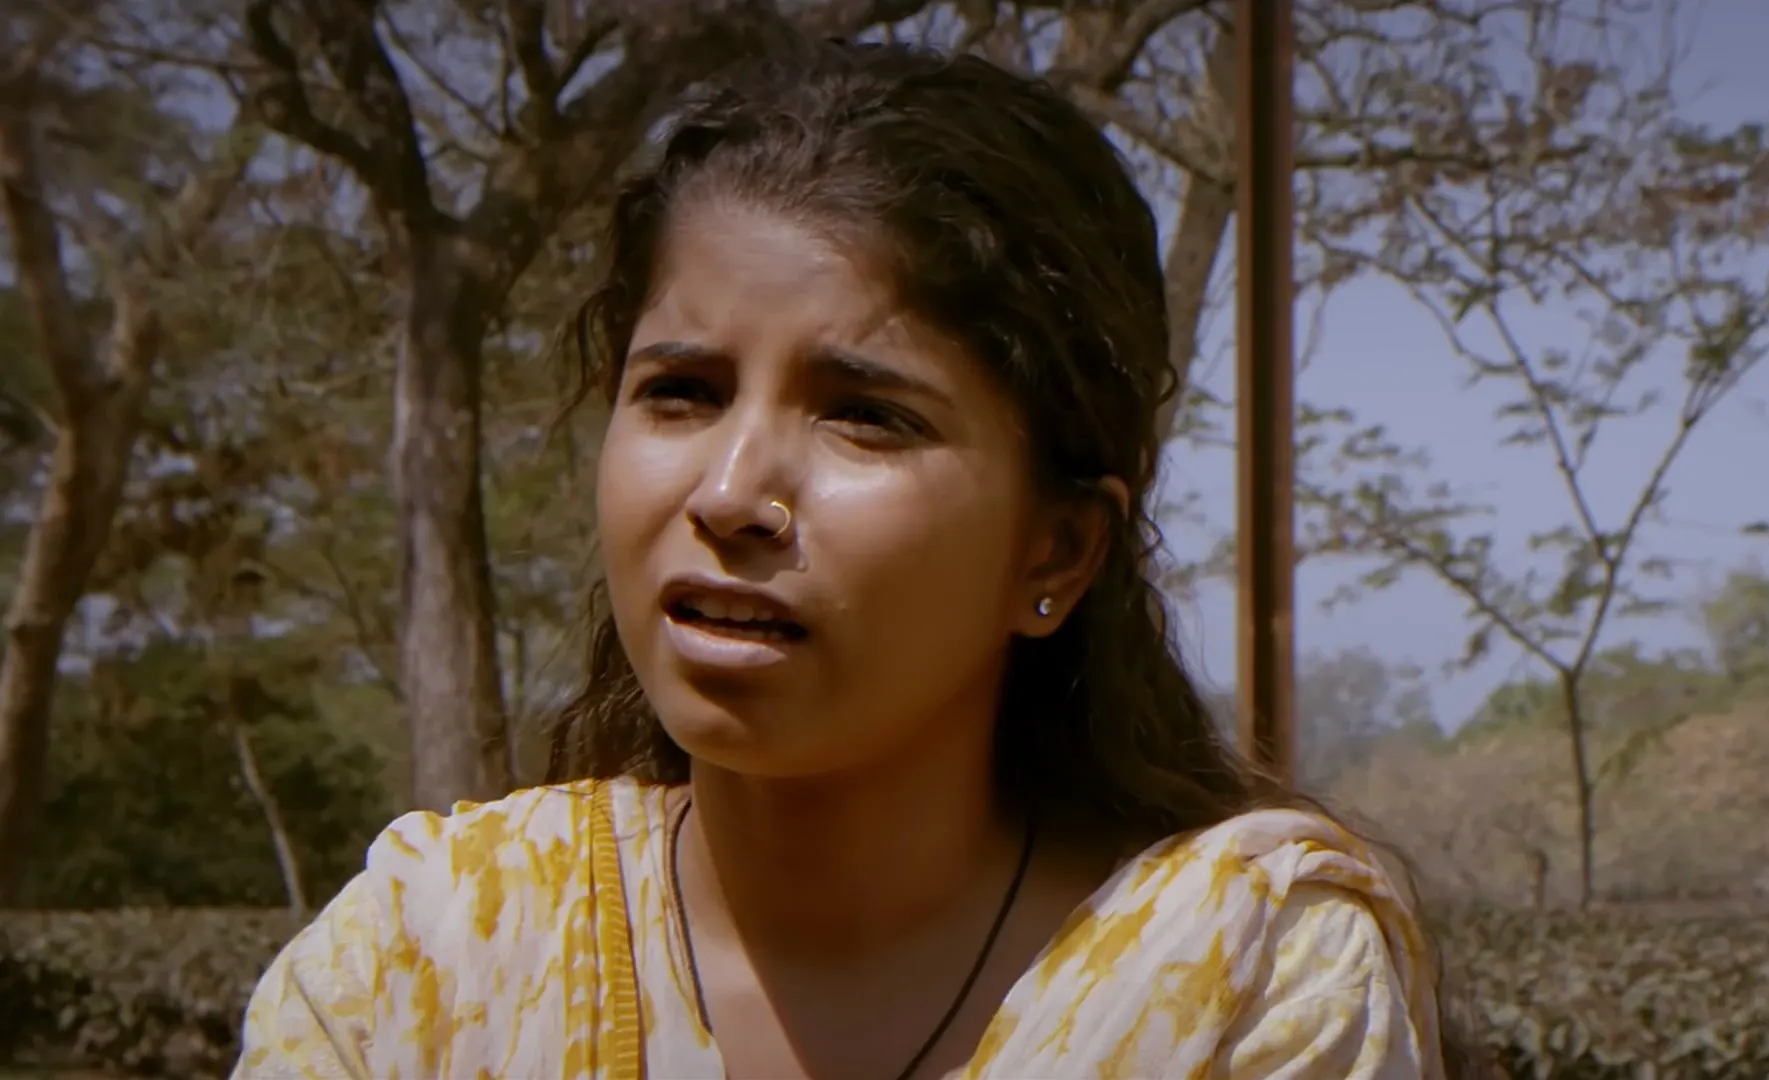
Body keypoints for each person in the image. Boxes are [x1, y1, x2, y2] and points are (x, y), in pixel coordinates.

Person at [232, 35, 1447, 1080]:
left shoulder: (1243, 980)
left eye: (864, 415)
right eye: (681, 392)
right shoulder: (423, 962)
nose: (728, 494)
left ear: (1057, 549)